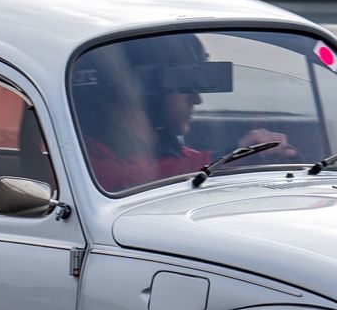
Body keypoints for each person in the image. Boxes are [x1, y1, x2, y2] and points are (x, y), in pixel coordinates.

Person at [76, 34, 289, 192]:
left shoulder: (179, 156)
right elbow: (129, 183)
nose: (197, 99)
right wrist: (233, 159)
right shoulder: (86, 158)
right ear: (148, 89)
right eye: (185, 86)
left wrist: (269, 162)